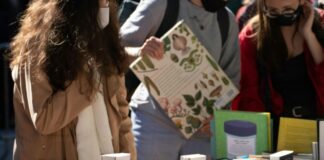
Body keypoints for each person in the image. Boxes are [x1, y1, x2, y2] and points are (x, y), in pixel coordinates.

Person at [9, 0, 136, 159]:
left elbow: (122, 116)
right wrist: (87, 74)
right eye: (99, 3)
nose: (105, 7)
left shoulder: (104, 44)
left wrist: (129, 153)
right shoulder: (36, 48)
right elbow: (44, 119)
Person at [120, 0, 240, 159]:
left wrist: (216, 114)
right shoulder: (160, 4)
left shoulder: (227, 19)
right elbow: (114, 50)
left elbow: (230, 81)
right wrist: (140, 52)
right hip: (153, 125)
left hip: (201, 134)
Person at [232, 0, 324, 150]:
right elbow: (249, 92)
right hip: (276, 131)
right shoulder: (252, 34)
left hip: (318, 126)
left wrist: (309, 35)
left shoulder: (320, 23)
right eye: (273, 11)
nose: (281, 15)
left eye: (288, 9)